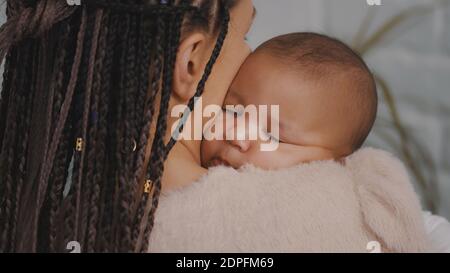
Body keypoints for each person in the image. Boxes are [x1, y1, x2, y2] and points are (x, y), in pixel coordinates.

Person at [0, 0, 255, 252]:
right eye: (245, 36)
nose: (252, 53)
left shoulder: (52, 221)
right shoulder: (262, 217)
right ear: (190, 60)